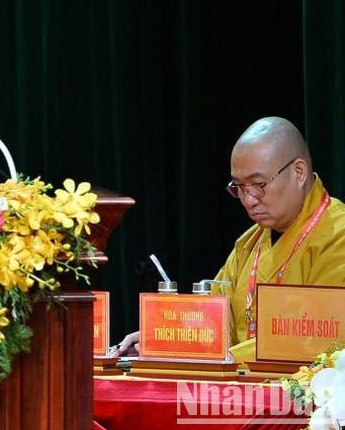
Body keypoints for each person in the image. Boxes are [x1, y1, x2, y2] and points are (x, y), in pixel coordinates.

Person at [111, 117, 345, 362]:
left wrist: (231, 356)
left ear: (298, 172)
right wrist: (161, 339)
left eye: (258, 184)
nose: (248, 199)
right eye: (239, 187)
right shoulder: (250, 243)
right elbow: (212, 315)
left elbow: (319, 339)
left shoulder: (336, 234)